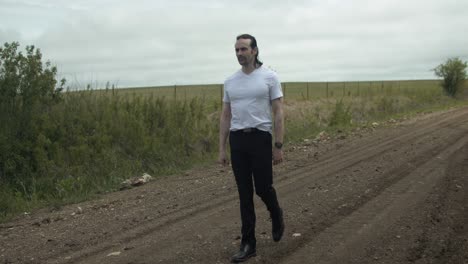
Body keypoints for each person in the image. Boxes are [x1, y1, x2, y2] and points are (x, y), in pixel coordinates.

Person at [219, 33, 285, 263]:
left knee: (263, 188)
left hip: (260, 138)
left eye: (243, 49)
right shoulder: (230, 81)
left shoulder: (269, 77)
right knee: (244, 193)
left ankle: (276, 213)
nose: (239, 53)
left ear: (254, 50)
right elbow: (226, 115)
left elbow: (278, 112)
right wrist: (222, 148)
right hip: (238, 140)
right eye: (236, 50)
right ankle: (248, 243)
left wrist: (278, 145)